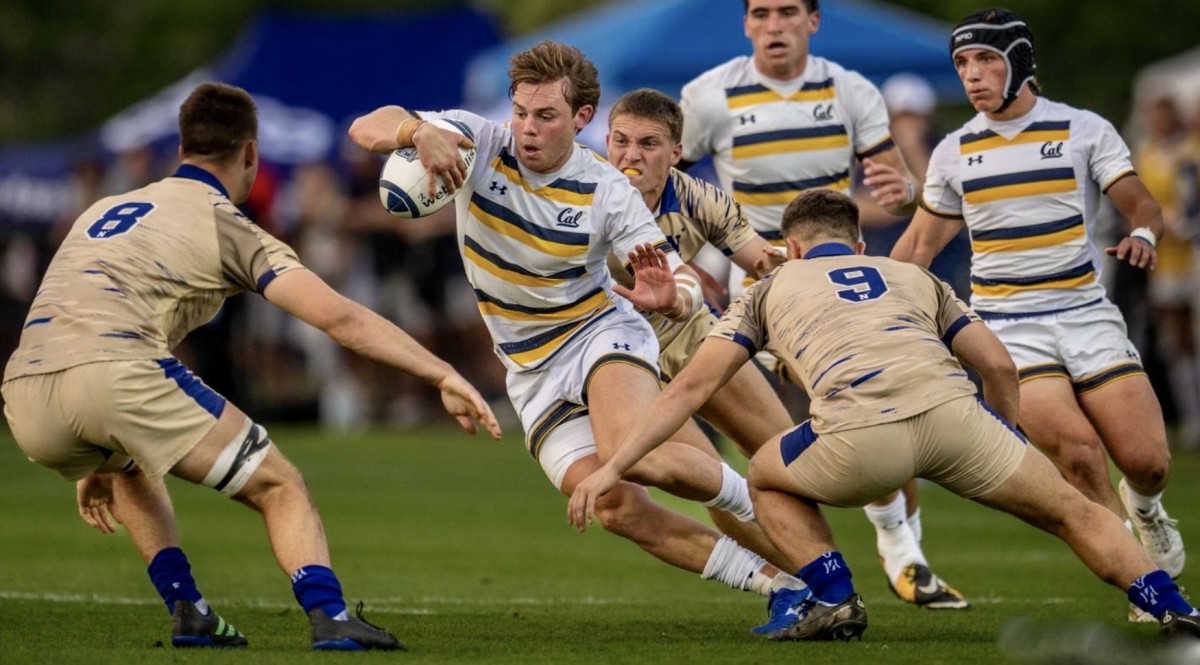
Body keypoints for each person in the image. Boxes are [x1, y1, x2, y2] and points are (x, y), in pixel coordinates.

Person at [567, 189, 1200, 642]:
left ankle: (835, 594)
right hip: (957, 421)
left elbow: (690, 391)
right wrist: (1004, 434)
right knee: (1075, 511)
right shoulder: (908, 273)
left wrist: (615, 465)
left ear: (790, 247)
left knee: (762, 475)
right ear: (860, 244)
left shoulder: (768, 288)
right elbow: (1000, 367)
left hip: (859, 436)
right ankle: (1170, 605)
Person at [1, 82, 504, 651]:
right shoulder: (227, 224)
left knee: (128, 467)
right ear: (250, 154)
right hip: (113, 371)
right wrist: (442, 373)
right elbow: (337, 318)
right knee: (281, 484)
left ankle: (190, 611)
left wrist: (93, 440)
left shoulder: (102, 209)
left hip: (24, 394)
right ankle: (331, 618)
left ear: (183, 147)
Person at [348, 41, 809, 630]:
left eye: (546, 116)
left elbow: (681, 278)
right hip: (530, 371)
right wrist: (417, 132)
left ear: (582, 118)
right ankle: (783, 588)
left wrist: (672, 297)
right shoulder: (479, 141)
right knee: (618, 508)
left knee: (628, 457)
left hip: (598, 333)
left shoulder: (604, 189)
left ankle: (780, 522)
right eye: (520, 111)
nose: (527, 128)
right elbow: (367, 126)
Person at [888, 8, 1186, 622]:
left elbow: (1144, 207)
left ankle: (1148, 510)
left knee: (1148, 462)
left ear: (1020, 61)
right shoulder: (953, 151)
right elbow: (917, 248)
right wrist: (874, 309)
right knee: (1077, 458)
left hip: (1086, 315)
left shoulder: (1083, 129)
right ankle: (1144, 581)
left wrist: (1146, 239)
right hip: (1008, 330)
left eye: (986, 60)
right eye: (963, 64)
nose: (972, 75)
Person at [678, 0, 964, 610]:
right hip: (761, 289)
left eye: (787, 12)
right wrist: (689, 261)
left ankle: (899, 552)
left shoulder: (850, 90)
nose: (773, 25)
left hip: (838, 282)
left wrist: (906, 189)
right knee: (780, 429)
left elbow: (895, 185)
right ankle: (813, 559)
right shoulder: (708, 95)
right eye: (761, 13)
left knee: (877, 394)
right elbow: (670, 185)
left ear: (813, 21)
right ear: (746, 24)